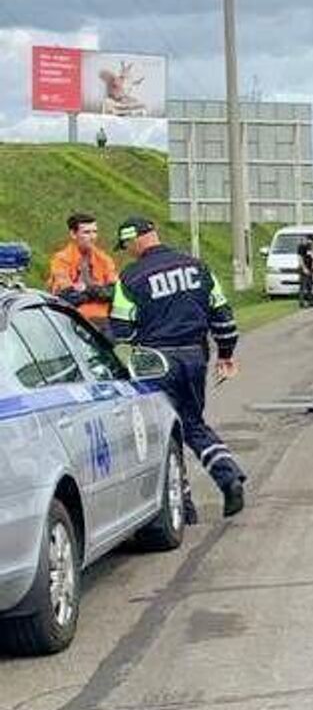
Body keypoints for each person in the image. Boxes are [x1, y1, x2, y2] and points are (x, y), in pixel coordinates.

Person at [107, 216, 247, 517]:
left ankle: (182, 505)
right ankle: (228, 476)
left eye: (126, 245)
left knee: (166, 432)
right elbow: (222, 315)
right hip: (195, 356)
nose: (127, 252)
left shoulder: (130, 278)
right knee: (193, 422)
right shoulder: (197, 266)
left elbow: (122, 331)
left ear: (135, 239)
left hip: (155, 363)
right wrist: (225, 353)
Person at [46, 212, 118, 328]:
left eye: (95, 232)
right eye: (87, 232)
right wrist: (98, 292)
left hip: (101, 321)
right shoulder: (61, 259)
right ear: (73, 234)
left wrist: (85, 289)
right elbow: (67, 296)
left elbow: (114, 292)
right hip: (69, 319)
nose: (92, 237)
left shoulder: (104, 260)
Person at [297, 235, 313, 308]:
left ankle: (311, 301)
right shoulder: (301, 247)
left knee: (310, 286)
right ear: (308, 240)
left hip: (310, 268)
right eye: (312, 241)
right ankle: (301, 303)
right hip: (304, 269)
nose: (312, 243)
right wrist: (304, 268)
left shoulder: (310, 247)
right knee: (303, 286)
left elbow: (312, 257)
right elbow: (300, 258)